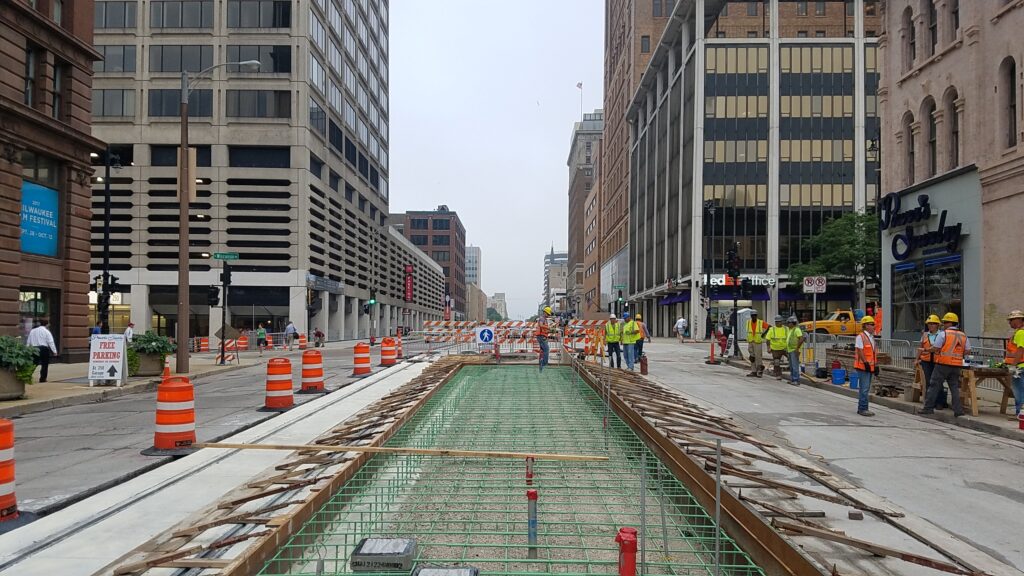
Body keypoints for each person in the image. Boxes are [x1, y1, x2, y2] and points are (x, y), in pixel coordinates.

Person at [921, 312, 968, 417]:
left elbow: (935, 348)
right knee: (954, 387)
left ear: (950, 323)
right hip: (956, 365)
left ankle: (928, 408)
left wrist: (926, 350)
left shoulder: (943, 334)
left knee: (934, 385)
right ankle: (958, 410)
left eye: (945, 322)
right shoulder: (963, 335)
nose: (944, 324)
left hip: (943, 364)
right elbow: (967, 350)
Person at [916, 315, 946, 409]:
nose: (931, 326)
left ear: (937, 325)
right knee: (929, 382)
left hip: (938, 361)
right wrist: (917, 359)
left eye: (933, 324)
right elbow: (920, 348)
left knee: (938, 382)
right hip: (926, 361)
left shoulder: (942, 334)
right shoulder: (925, 335)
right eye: (929, 324)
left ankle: (940, 402)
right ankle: (930, 402)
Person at [854, 316, 878, 417]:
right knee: (864, 388)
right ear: (866, 326)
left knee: (866, 388)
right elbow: (860, 351)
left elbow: (872, 353)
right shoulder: (861, 337)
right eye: (872, 324)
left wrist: (875, 366)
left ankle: (863, 408)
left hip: (869, 366)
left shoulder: (871, 338)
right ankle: (863, 408)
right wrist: (866, 363)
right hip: (863, 366)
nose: (874, 326)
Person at [1003, 309, 1024, 417]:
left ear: (1018, 320)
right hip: (1020, 366)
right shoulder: (1018, 332)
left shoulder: (1021, 333)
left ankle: (1020, 414)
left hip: (1019, 367)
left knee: (1019, 391)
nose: (1009, 323)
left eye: (1011, 320)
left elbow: (1020, 350)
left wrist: (1013, 365)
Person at [745, 311, 768, 378]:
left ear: (756, 315)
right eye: (752, 315)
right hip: (750, 341)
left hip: (757, 342)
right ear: (751, 316)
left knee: (758, 357)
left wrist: (764, 334)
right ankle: (754, 371)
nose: (754, 317)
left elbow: (769, 327)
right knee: (752, 357)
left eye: (755, 315)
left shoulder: (760, 322)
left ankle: (759, 370)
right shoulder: (748, 322)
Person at [766, 315, 788, 380]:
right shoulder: (772, 329)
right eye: (776, 322)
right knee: (776, 362)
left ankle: (794, 374)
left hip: (785, 348)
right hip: (775, 349)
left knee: (792, 360)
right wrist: (768, 348)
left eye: (779, 322)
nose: (777, 323)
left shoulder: (786, 329)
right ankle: (778, 374)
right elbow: (768, 339)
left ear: (782, 322)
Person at [785, 316, 804, 386]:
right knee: (791, 366)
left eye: (788, 323)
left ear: (792, 323)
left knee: (795, 366)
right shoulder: (790, 330)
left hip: (794, 350)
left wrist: (797, 348)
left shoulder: (797, 330)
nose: (787, 324)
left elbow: (801, 339)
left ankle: (796, 380)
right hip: (790, 350)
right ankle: (793, 379)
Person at [536, 306, 556, 371]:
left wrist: (550, 330)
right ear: (545, 313)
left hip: (542, 336)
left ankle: (541, 365)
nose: (548, 315)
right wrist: (549, 328)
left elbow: (543, 329)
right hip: (541, 337)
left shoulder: (544, 319)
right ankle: (544, 363)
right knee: (546, 350)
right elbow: (541, 325)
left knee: (542, 351)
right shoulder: (542, 319)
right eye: (547, 314)